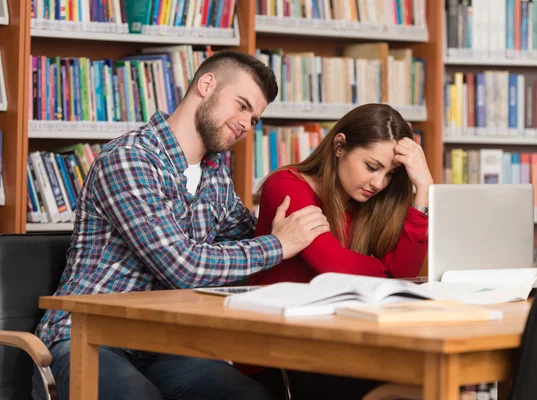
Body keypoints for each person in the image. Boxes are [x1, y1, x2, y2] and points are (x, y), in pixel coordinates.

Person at [32, 50, 330, 400]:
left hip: (162, 344)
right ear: (206, 84)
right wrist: (278, 245)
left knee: (255, 396)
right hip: (89, 337)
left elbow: (254, 240)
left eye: (255, 119)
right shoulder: (130, 158)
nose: (246, 125)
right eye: (242, 105)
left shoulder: (215, 176)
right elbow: (183, 265)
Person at [246, 103, 433, 399]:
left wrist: (422, 189)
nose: (379, 183)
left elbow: (404, 275)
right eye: (372, 167)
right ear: (340, 146)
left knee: (424, 381)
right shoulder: (287, 186)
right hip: (278, 349)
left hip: (338, 344)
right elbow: (331, 263)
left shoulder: (367, 206)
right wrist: (383, 271)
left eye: (390, 174)